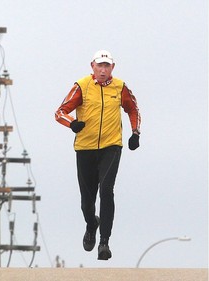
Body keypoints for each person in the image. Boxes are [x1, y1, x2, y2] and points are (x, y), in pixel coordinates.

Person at [55, 50, 141, 260]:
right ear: (92, 66)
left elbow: (133, 109)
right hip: (85, 148)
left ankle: (104, 243)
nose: (103, 70)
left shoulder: (120, 87)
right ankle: (91, 224)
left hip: (111, 146)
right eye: (99, 66)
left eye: (107, 66)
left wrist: (135, 133)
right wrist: (72, 124)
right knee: (87, 202)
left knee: (107, 191)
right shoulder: (82, 86)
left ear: (113, 67)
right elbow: (59, 112)